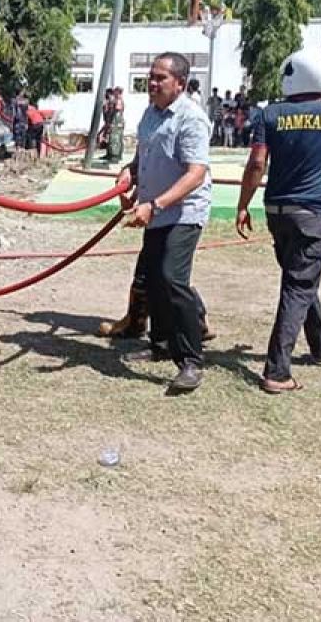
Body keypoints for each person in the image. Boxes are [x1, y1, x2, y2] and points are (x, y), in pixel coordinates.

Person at [235, 47, 321, 394]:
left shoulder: (270, 115)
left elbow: (255, 165)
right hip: (312, 214)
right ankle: (277, 372)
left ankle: (320, 345)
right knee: (298, 284)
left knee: (300, 279)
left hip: (277, 211)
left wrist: (243, 205)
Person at [117, 53, 212, 392]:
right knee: (154, 278)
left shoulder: (191, 118)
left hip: (183, 212)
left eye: (161, 78)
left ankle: (190, 360)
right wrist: (130, 172)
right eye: (150, 77)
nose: (152, 84)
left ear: (181, 84)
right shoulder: (150, 114)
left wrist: (154, 204)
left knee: (172, 279)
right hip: (155, 210)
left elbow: (195, 174)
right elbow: (144, 155)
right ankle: (159, 343)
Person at [106, 87, 125, 162]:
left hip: (117, 122)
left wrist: (112, 104)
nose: (114, 93)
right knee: (113, 138)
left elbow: (118, 108)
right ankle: (111, 154)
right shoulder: (116, 100)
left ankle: (115, 156)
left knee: (115, 139)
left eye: (115, 92)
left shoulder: (118, 100)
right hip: (115, 121)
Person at [10, 90, 29, 162]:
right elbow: (27, 112)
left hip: (17, 122)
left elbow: (13, 113)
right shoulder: (26, 101)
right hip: (24, 122)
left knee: (18, 138)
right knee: (23, 138)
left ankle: (18, 156)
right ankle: (22, 156)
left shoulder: (14, 101)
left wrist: (11, 123)